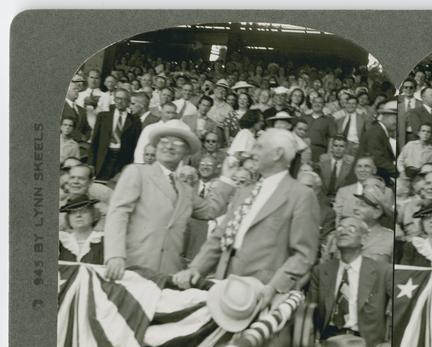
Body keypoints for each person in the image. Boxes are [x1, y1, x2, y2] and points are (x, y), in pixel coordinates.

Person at [174, 129, 320, 309]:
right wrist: (195, 268)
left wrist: (274, 287)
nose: (252, 153)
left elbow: (304, 255)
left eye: (259, 147)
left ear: (277, 154)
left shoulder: (301, 196)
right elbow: (219, 237)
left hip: (261, 292)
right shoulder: (245, 192)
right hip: (224, 284)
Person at [103, 122, 237, 280]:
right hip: (133, 266)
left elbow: (210, 210)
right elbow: (118, 214)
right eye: (164, 141)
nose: (169, 146)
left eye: (178, 143)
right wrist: (115, 255)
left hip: (169, 272)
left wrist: (227, 178)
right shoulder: (138, 172)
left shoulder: (185, 188)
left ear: (186, 152)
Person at [308, 216, 392, 347]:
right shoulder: (321, 271)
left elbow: (400, 309)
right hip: (328, 346)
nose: (344, 231)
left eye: (351, 228)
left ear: (364, 239)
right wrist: (311, 339)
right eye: (340, 228)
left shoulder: (383, 271)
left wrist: (391, 342)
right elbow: (310, 311)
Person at [89, 88, 142, 180]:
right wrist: (91, 163)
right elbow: (95, 141)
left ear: (129, 102)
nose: (120, 102)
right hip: (103, 158)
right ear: (114, 99)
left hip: (122, 160)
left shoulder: (135, 121)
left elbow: (136, 145)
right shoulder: (103, 116)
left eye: (124, 99)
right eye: (118, 98)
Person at [359, 100, 398, 183]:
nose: (397, 122)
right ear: (386, 116)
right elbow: (377, 159)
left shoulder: (380, 131)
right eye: (396, 118)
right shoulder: (376, 133)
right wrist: (398, 170)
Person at [353, 186, 395, 264]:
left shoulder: (390, 238)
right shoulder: (342, 234)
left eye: (362, 205)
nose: (355, 208)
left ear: (377, 213)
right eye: (356, 203)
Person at [58, 194, 105, 264]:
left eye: (83, 211)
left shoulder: (104, 240)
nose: (78, 215)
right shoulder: (60, 241)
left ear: (94, 216)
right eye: (73, 212)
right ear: (68, 218)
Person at [305, 95, 338, 163]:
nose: (317, 104)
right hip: (303, 149)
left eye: (320, 102)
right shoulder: (304, 118)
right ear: (312, 104)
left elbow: (332, 139)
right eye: (315, 102)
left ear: (323, 105)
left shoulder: (329, 120)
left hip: (319, 151)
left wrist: (328, 154)